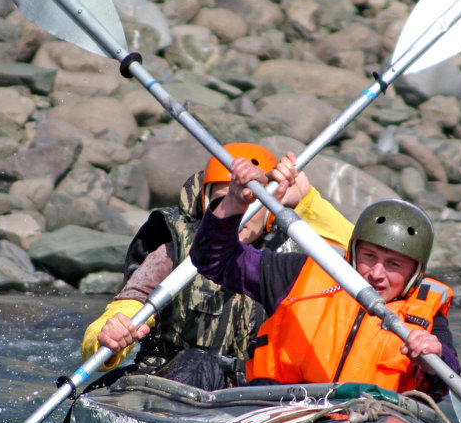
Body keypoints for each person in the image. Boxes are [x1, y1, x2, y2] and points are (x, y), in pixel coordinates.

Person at [81, 143, 353, 390]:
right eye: (225, 201)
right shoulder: (172, 254)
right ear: (206, 206)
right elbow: (122, 312)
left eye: (254, 202)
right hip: (176, 385)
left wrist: (306, 201)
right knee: (198, 363)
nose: (242, 212)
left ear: (272, 207)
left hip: (256, 391)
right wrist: (108, 336)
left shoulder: (293, 258)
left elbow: (376, 267)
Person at [190, 154, 458, 398]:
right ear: (353, 251)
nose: (376, 273)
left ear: (416, 272)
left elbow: (443, 383)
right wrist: (234, 202)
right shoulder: (300, 273)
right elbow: (214, 260)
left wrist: (434, 360)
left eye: (393, 264)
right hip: (276, 409)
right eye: (369, 257)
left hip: (369, 422)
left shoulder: (427, 313)